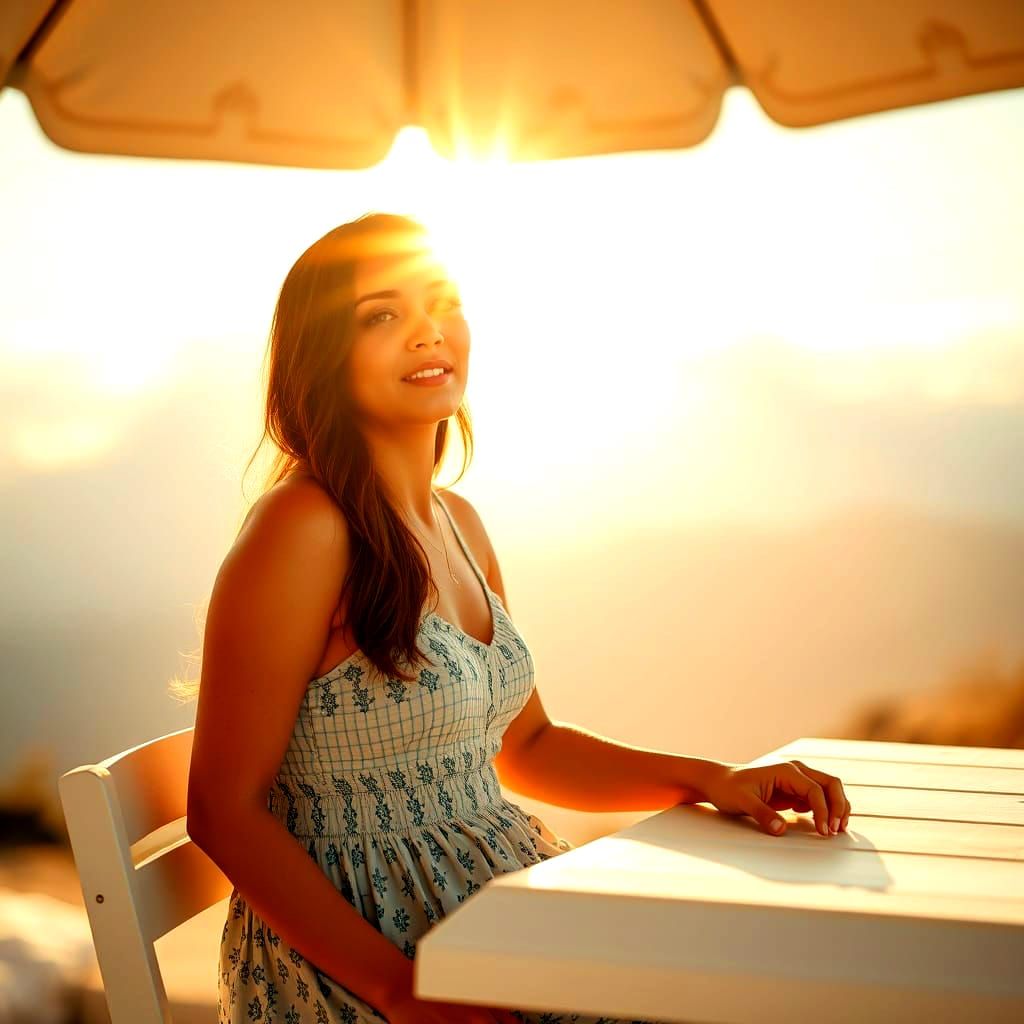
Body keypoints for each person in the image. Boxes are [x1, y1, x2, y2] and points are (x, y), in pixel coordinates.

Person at [184, 213, 851, 1024]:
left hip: (501, 914)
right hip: (368, 957)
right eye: (383, 315)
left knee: (751, 978)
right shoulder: (305, 527)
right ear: (323, 353)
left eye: (444, 303)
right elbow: (223, 809)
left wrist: (710, 777)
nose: (429, 331)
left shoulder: (458, 522)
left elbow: (527, 747)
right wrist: (404, 990)